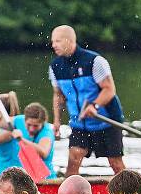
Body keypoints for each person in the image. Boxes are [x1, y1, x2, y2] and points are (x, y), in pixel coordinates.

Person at [48, 25, 125, 176]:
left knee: (115, 163)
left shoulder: (95, 61)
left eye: (57, 41)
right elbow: (58, 95)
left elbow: (109, 89)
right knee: (74, 157)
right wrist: (56, 120)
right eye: (52, 41)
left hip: (107, 120)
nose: (53, 45)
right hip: (79, 122)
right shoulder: (55, 67)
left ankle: (132, 193)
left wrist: (94, 106)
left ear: (69, 41)